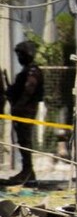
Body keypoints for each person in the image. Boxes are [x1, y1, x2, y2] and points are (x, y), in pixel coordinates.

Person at [5, 41, 43, 184]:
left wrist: (18, 105)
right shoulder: (26, 71)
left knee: (25, 142)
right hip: (21, 111)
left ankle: (27, 171)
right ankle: (28, 171)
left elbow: (28, 90)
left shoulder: (32, 71)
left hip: (26, 112)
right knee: (22, 142)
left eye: (20, 54)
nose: (19, 57)